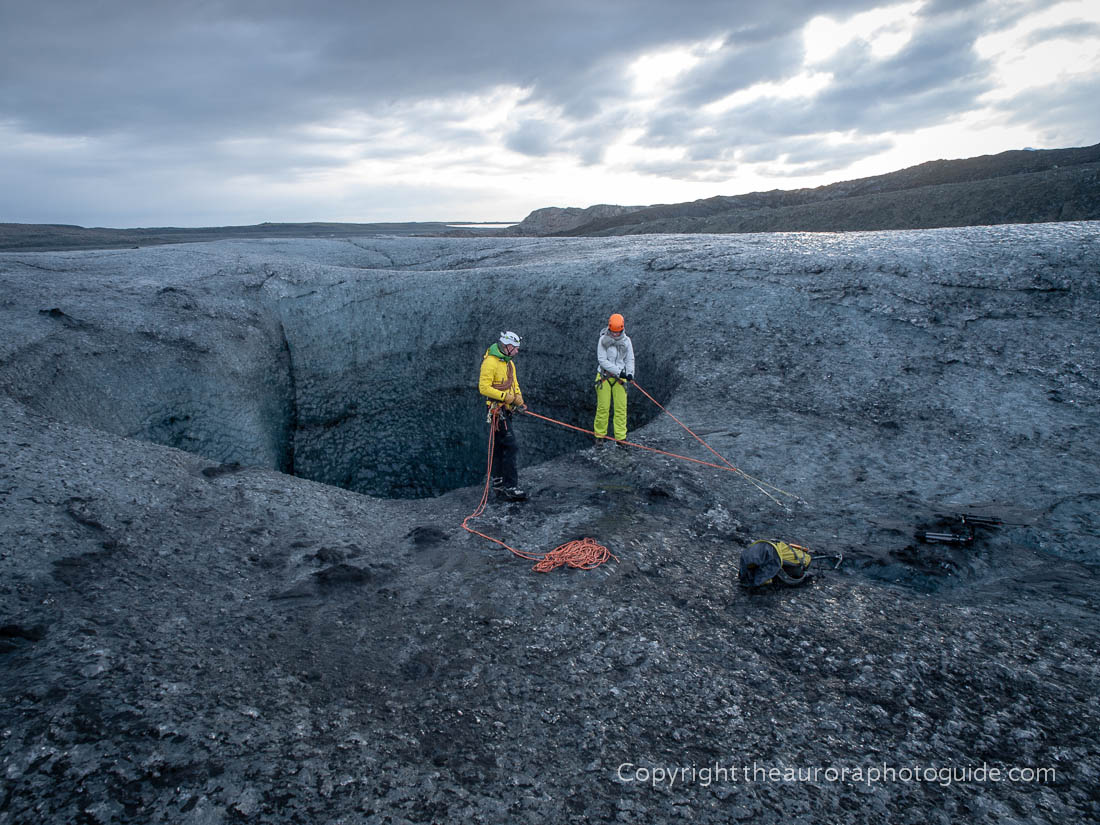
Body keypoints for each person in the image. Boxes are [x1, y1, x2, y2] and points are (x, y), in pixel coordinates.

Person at [479, 330, 528, 501]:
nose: (517, 351)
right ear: (507, 347)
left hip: (506, 410)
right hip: (496, 411)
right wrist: (505, 397)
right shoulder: (490, 363)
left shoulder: (509, 363)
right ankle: (510, 487)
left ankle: (498, 482)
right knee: (511, 446)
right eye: (515, 348)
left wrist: (519, 401)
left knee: (500, 447)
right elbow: (483, 388)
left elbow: (514, 384)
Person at [594, 313, 635, 445]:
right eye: (613, 332)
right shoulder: (603, 340)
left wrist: (630, 373)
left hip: (620, 379)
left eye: (618, 332)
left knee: (621, 408)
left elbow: (630, 359)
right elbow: (602, 360)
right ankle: (599, 437)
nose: (615, 335)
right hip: (604, 377)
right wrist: (619, 372)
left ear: (622, 329)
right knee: (603, 408)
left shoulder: (627, 341)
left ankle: (621, 438)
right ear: (609, 328)